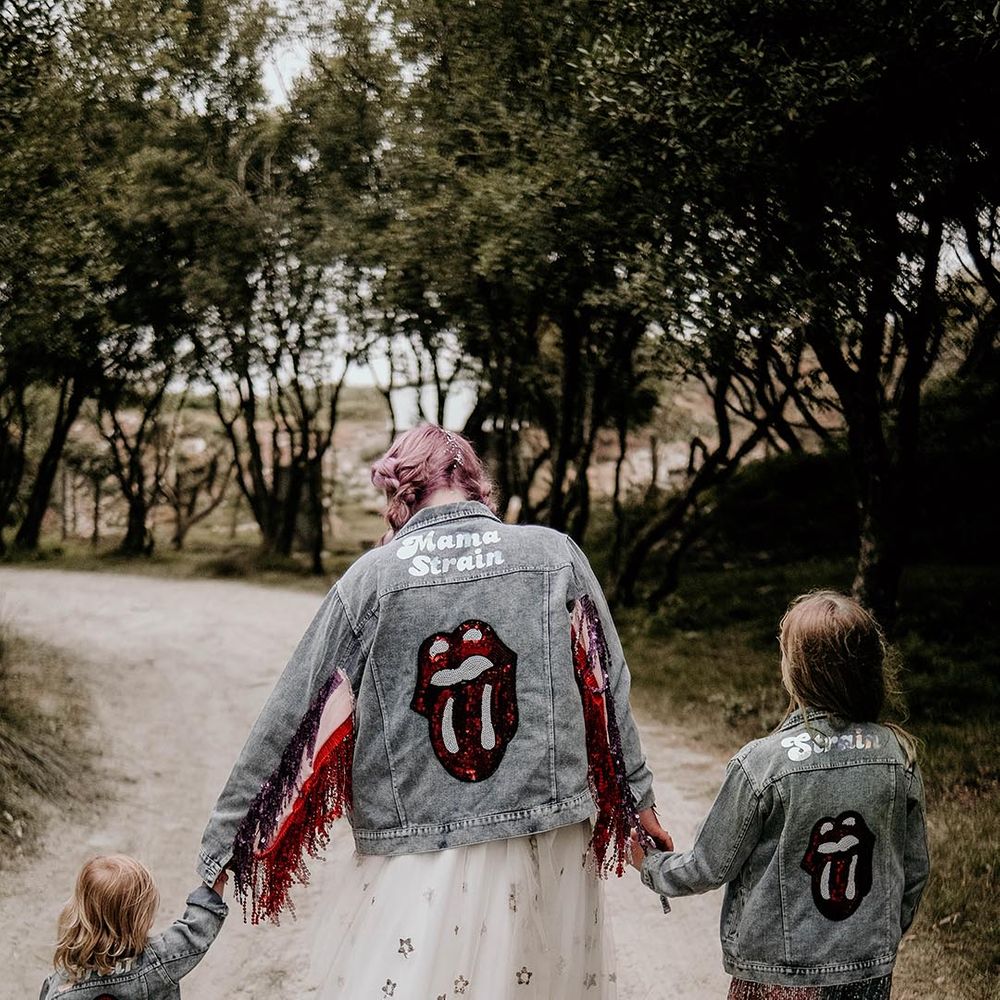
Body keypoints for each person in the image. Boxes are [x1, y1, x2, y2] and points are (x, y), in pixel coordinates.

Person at [196, 424, 670, 1000]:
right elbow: (605, 683)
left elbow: (294, 717)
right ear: (474, 483)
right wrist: (635, 800)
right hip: (549, 836)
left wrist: (224, 849)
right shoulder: (552, 553)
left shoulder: (372, 578)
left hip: (420, 849)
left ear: (402, 494)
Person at [631, 590, 930, 1000]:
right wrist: (882, 936)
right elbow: (913, 869)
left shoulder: (763, 764)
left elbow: (708, 865)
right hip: (867, 972)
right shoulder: (898, 756)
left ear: (798, 671)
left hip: (779, 977)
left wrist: (651, 865)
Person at [39, 855, 228, 999]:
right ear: (138, 920)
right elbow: (195, 932)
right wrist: (213, 884)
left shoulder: (60, 986)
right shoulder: (155, 962)